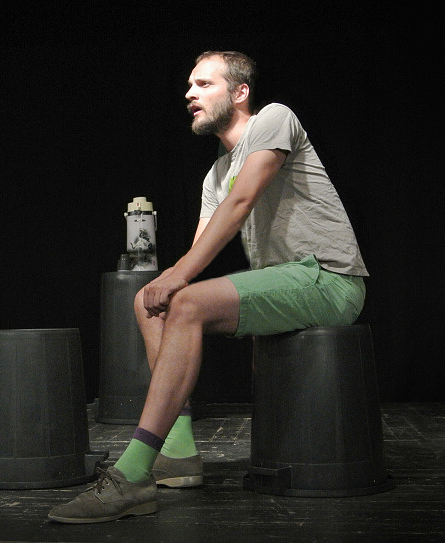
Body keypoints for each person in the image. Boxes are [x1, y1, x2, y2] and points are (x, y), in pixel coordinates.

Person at [48, 51, 368, 523]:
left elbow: (241, 202)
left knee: (187, 301)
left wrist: (178, 277)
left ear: (240, 92)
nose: (189, 94)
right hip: (285, 283)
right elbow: (201, 248)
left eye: (203, 84)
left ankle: (132, 475)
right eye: (189, 86)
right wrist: (168, 282)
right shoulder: (216, 173)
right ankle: (178, 453)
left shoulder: (274, 119)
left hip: (329, 278)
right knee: (150, 303)